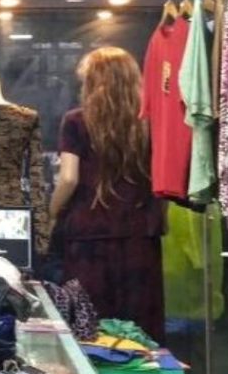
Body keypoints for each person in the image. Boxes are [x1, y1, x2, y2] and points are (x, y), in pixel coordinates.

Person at [50, 47, 165, 342]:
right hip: (140, 234)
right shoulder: (149, 121)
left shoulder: (76, 121)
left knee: (88, 326)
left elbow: (68, 178)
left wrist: (50, 213)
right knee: (140, 328)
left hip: (88, 236)